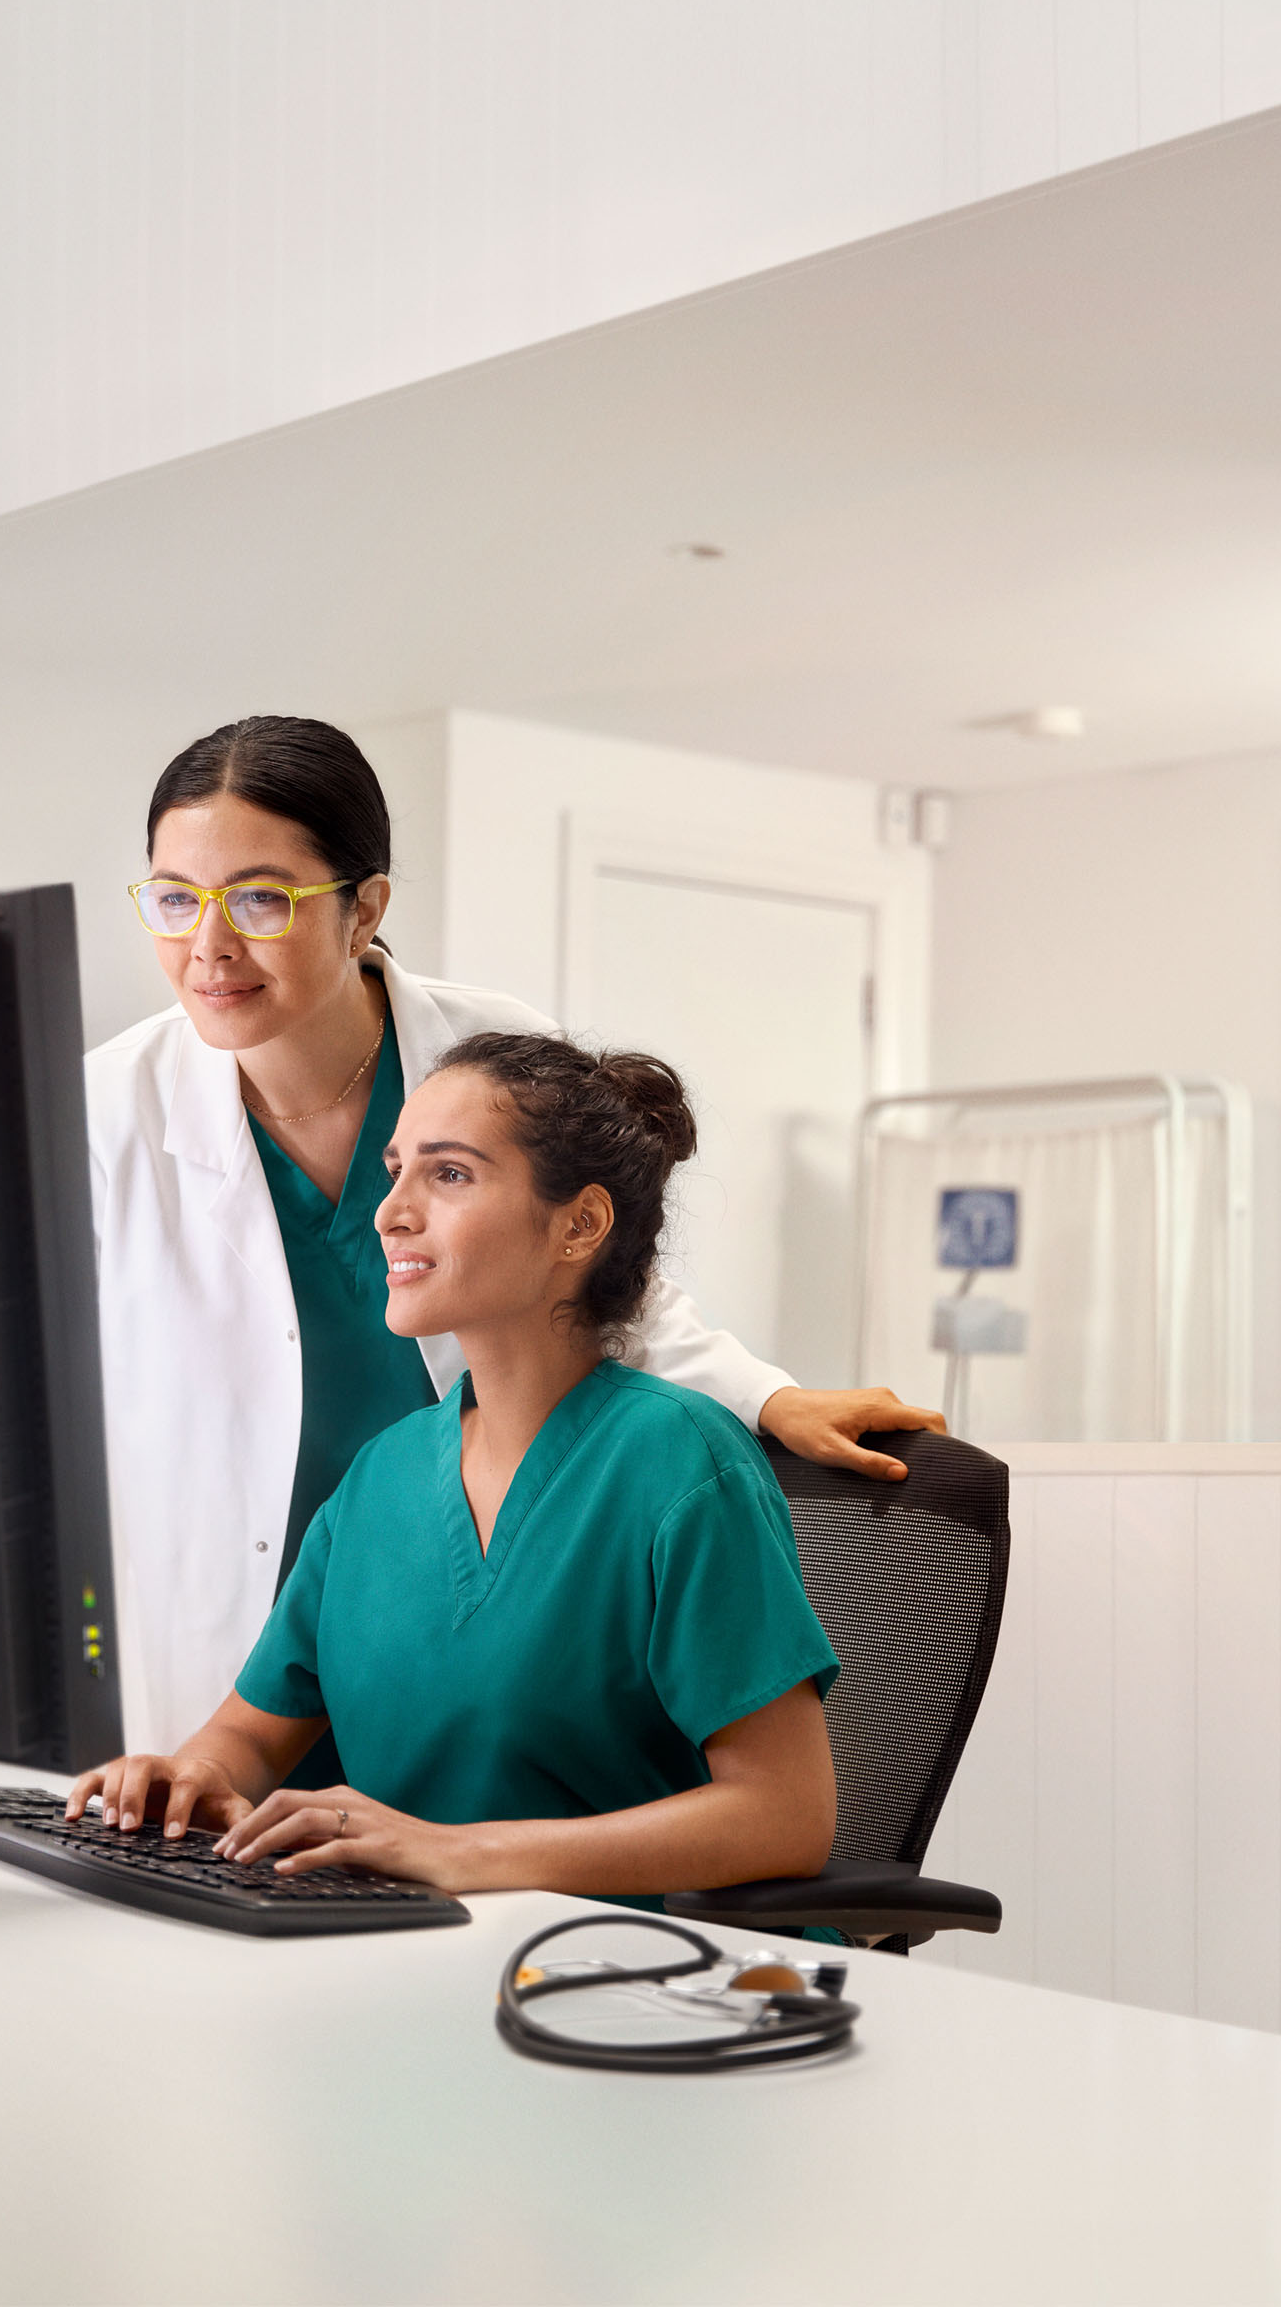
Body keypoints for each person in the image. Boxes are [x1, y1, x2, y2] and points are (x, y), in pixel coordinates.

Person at [85, 714, 937, 1753]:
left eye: (261, 897)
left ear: (365, 911)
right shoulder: (102, 1112)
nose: (208, 944)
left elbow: (596, 1274)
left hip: (465, 1616)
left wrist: (766, 1396)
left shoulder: (478, 1058)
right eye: (175, 898)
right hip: (235, 1638)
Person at [69, 1031, 838, 1904]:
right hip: (402, 1959)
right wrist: (189, 1778)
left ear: (579, 1225)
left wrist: (462, 1855)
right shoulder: (381, 1476)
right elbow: (248, 1736)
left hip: (618, 1976)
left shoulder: (682, 1465)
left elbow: (786, 1814)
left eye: (449, 1175)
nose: (391, 1211)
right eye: (395, 1171)